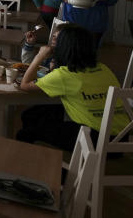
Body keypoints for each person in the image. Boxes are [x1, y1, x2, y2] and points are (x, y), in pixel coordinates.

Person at [16, 23, 129, 151]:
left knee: (25, 134)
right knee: (33, 114)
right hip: (121, 137)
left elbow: (24, 85)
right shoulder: (103, 68)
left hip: (95, 142)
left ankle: (56, 167)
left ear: (64, 48)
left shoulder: (64, 74)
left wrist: (40, 56)